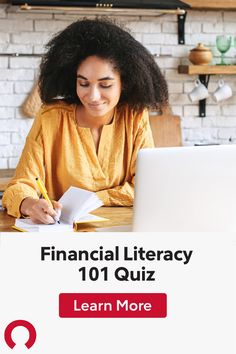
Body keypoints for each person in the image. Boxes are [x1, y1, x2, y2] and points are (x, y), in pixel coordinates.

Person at [2, 18, 168, 224]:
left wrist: (95, 198)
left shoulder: (134, 117)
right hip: (65, 239)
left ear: (124, 83)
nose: (93, 96)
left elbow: (146, 186)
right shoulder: (51, 118)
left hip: (122, 233)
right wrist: (29, 204)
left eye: (105, 85)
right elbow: (20, 185)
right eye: (84, 83)